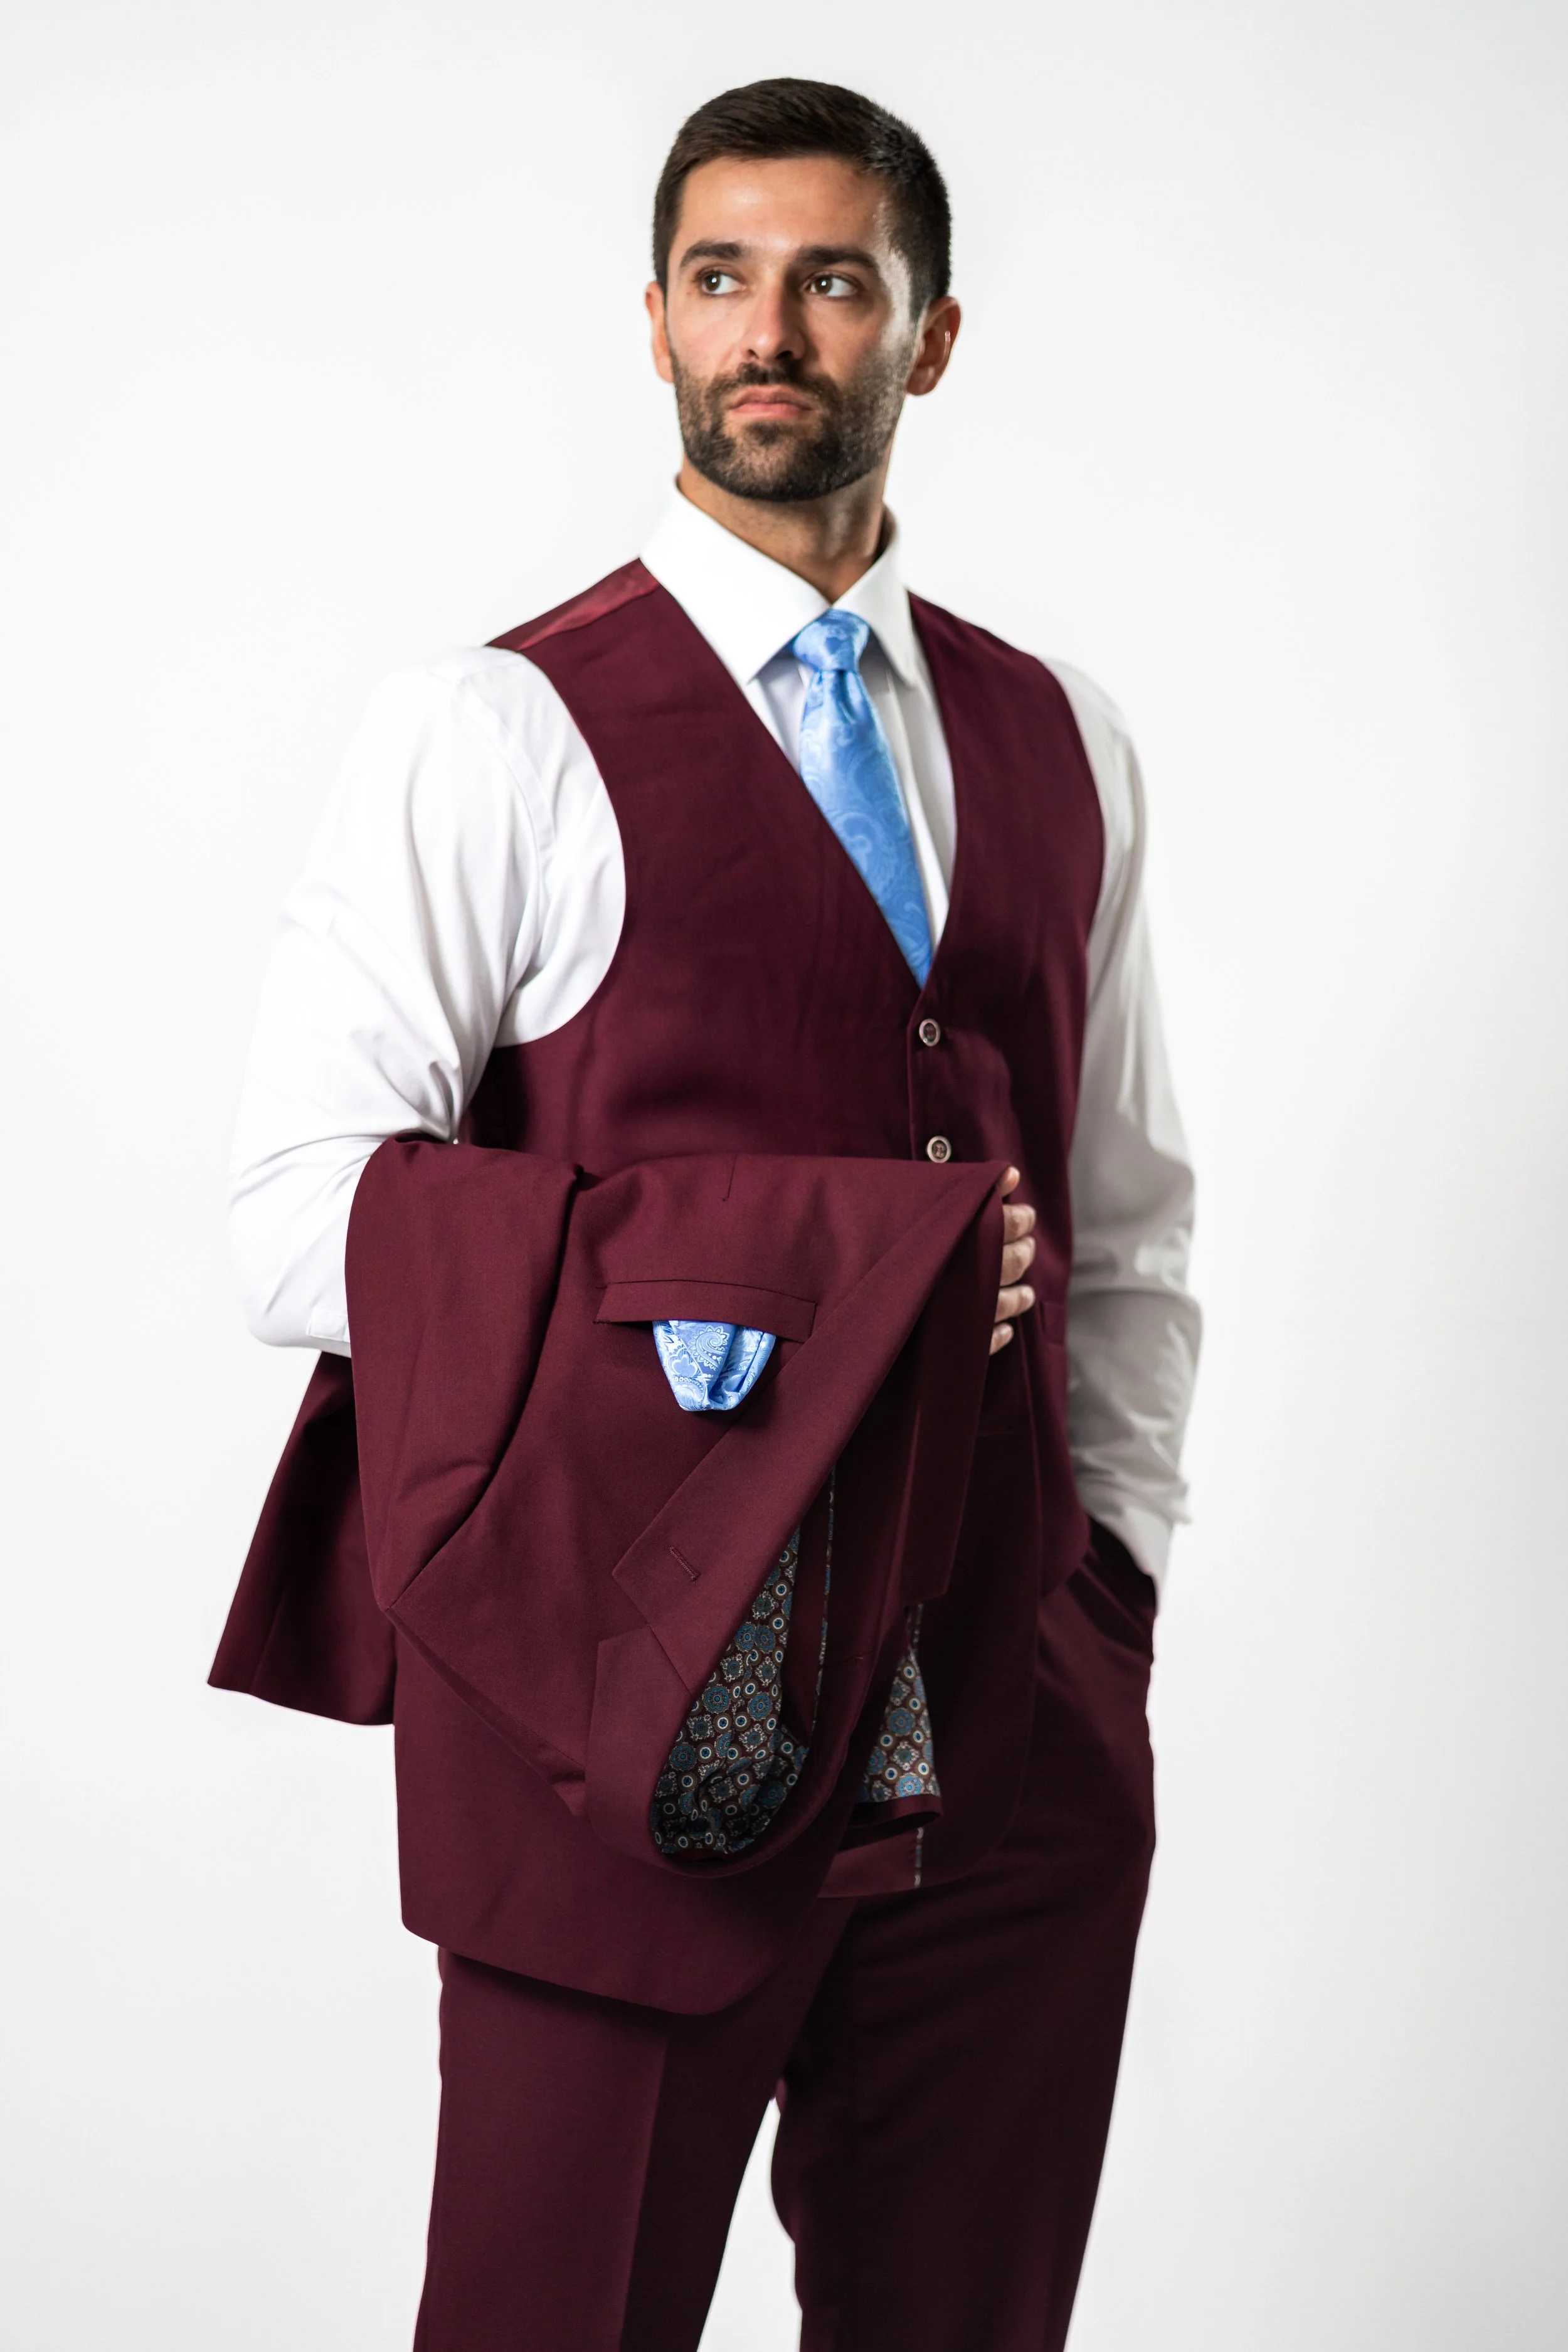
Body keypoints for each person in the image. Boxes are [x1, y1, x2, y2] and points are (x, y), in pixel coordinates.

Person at [224, 75, 1200, 2352]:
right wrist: (837, 1269)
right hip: (626, 1703)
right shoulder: (492, 733)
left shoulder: (1068, 741)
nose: (773, 329)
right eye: (721, 277)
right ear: (653, 321)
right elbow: (298, 1215)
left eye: (834, 281)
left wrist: (1109, 1597)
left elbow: (1130, 1216)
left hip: (1014, 1714)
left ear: (926, 338)